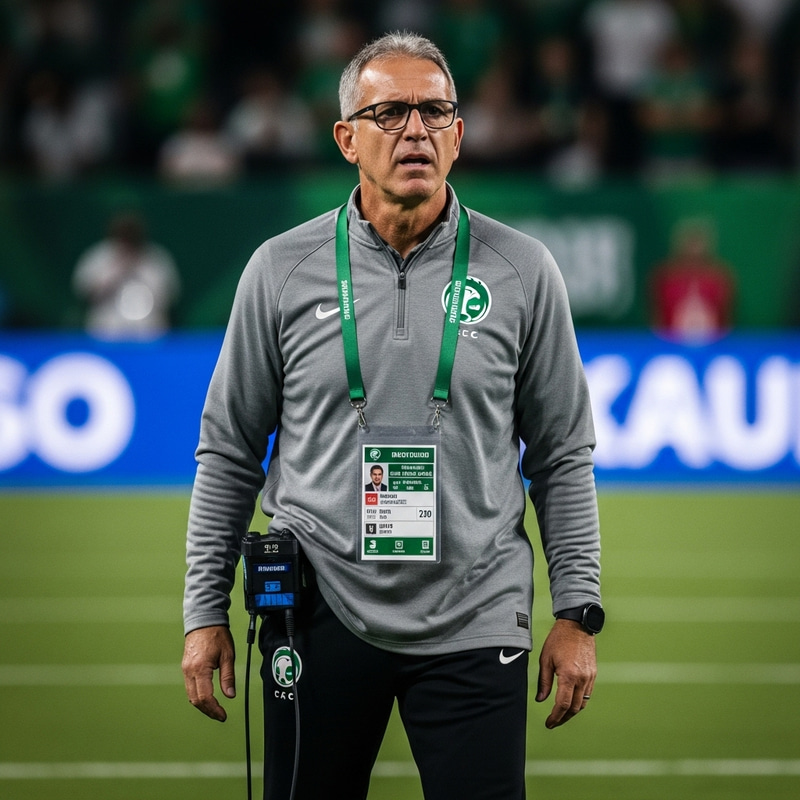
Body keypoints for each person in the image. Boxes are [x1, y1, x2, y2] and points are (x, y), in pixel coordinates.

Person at [182, 31, 602, 800]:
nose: (416, 130)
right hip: (318, 612)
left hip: (478, 615)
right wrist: (203, 609)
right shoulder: (280, 269)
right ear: (347, 138)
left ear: (459, 134)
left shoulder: (522, 270)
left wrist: (578, 611)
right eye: (390, 113)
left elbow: (563, 453)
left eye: (435, 111)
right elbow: (230, 448)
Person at [72, 210, 181, 339]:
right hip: (106, 333)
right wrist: (117, 271)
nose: (127, 241)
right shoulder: (98, 257)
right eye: (124, 235)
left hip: (148, 334)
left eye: (132, 235)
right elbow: (85, 293)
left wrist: (138, 268)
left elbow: (168, 298)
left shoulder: (157, 258)